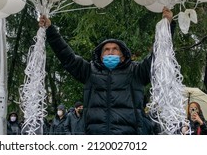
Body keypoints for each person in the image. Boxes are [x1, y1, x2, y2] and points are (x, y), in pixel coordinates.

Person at [39, 7, 174, 135]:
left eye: (115, 49)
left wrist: (167, 27)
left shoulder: (136, 72)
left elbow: (158, 56)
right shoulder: (89, 71)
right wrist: (50, 29)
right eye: (106, 49)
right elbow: (66, 56)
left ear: (123, 55)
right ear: (101, 55)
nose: (110, 52)